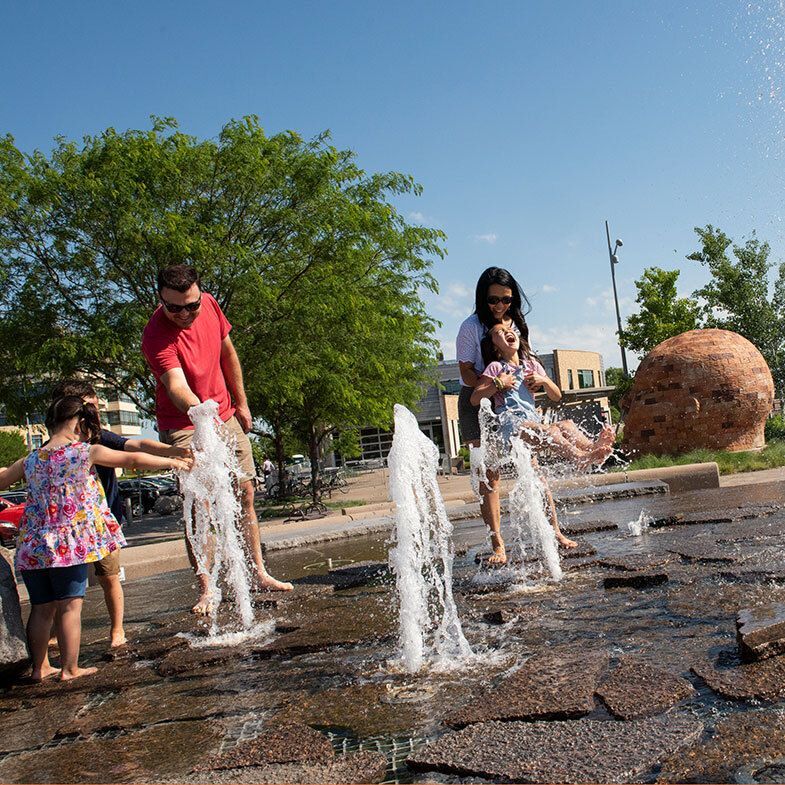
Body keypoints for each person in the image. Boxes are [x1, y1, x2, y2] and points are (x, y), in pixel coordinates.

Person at [0, 396, 191, 682]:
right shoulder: (85, 452)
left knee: (41, 607)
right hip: (68, 545)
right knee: (70, 605)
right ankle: (69, 668)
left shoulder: (29, 460)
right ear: (79, 423)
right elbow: (132, 458)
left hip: (34, 545)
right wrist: (173, 463)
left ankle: (40, 668)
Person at [142, 263, 292, 614]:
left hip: (224, 412)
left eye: (190, 305)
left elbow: (228, 354)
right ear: (161, 300)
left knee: (246, 493)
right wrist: (202, 414)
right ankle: (207, 587)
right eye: (174, 307)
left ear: (199, 294)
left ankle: (258, 572)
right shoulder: (155, 336)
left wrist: (241, 403)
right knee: (200, 506)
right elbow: (177, 387)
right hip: (185, 420)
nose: (184, 313)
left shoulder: (209, 304)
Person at [50, 379, 193, 648]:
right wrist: (174, 459)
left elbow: (137, 449)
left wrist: (175, 453)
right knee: (64, 586)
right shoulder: (59, 447)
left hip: (104, 523)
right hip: (67, 529)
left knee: (109, 577)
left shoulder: (100, 438)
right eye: (90, 409)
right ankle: (58, 632)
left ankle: (117, 630)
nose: (96, 416)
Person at [471, 324, 615, 553]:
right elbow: (475, 398)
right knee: (552, 432)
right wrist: (499, 383)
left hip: (531, 422)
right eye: (499, 333)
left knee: (563, 429)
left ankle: (592, 449)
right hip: (511, 426)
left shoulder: (532, 365)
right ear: (495, 347)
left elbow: (556, 396)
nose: (507, 333)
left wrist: (544, 380)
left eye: (510, 330)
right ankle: (581, 457)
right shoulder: (496, 367)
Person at [456, 267, 527, 565]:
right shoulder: (470, 327)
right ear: (482, 298)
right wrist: (494, 385)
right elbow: (465, 372)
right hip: (476, 403)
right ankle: (498, 543)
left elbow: (524, 361)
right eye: (493, 300)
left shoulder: (515, 324)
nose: (499, 306)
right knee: (490, 477)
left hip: (509, 400)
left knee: (531, 465)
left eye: (506, 300)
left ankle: (555, 533)